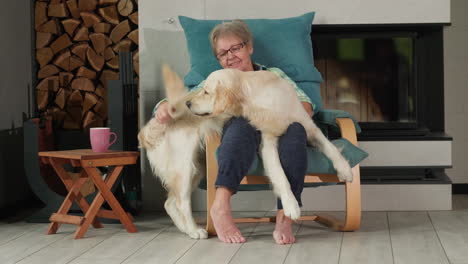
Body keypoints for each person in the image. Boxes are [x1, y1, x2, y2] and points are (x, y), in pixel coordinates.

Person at [153, 20, 314, 245]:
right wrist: (162, 106)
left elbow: (305, 105)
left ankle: (284, 217)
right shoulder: (218, 80)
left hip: (278, 128)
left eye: (236, 48)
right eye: (222, 53)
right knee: (241, 123)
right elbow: (189, 98)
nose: (230, 56)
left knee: (296, 129)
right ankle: (220, 207)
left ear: (249, 47)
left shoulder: (273, 74)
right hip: (242, 135)